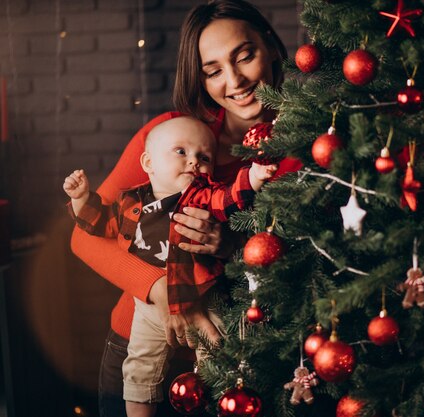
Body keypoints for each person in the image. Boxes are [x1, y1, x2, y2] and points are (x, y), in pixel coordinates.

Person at [69, 1, 300, 416]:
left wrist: (230, 247)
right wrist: (166, 294)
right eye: (212, 71)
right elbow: (84, 237)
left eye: (244, 55)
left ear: (270, 46)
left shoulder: (304, 150)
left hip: (242, 363)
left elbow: (306, 270)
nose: (234, 80)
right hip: (135, 343)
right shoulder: (171, 135)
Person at [65, 115, 277, 417]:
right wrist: (81, 198)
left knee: (215, 359)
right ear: (148, 163)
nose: (194, 162)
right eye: (181, 152)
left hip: (204, 298)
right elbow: (98, 224)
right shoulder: (132, 204)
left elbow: (229, 198)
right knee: (140, 365)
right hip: (147, 307)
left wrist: (253, 177)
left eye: (204, 158)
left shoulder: (202, 197)